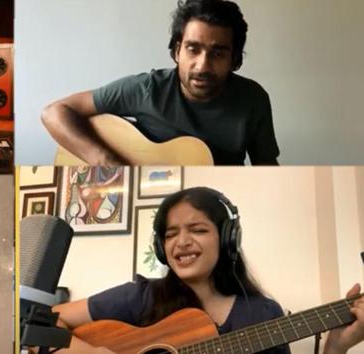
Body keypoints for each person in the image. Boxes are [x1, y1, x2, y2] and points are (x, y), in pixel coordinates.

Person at [52, 187, 364, 354]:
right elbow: (50, 318)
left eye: (198, 230)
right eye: (171, 234)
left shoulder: (263, 314)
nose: (181, 242)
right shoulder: (141, 297)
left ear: (227, 239)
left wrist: (335, 348)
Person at [41, 0, 279, 166]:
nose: (202, 66)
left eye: (217, 54)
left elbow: (266, 165)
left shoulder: (253, 100)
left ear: (235, 60)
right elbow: (54, 113)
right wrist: (105, 161)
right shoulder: (145, 90)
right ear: (177, 51)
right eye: (193, 49)